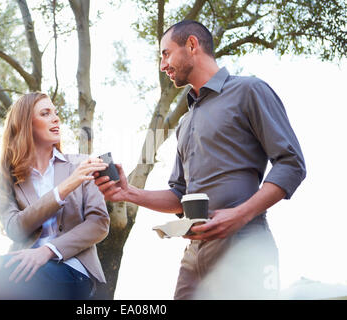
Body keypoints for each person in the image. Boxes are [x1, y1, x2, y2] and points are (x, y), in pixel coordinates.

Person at [94, 20, 306, 299]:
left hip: (246, 245)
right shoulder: (184, 122)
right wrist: (129, 192)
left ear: (192, 45)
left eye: (165, 53)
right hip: (194, 257)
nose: (162, 65)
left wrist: (239, 215)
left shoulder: (249, 91)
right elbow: (179, 196)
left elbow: (292, 164)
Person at [0, 92, 110, 299]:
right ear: (26, 125)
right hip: (23, 268)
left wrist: (49, 250)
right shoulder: (5, 177)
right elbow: (15, 228)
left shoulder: (82, 164)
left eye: (56, 113)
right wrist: (62, 190)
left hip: (74, 269)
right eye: (45, 113)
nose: (56, 118)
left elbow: (99, 223)